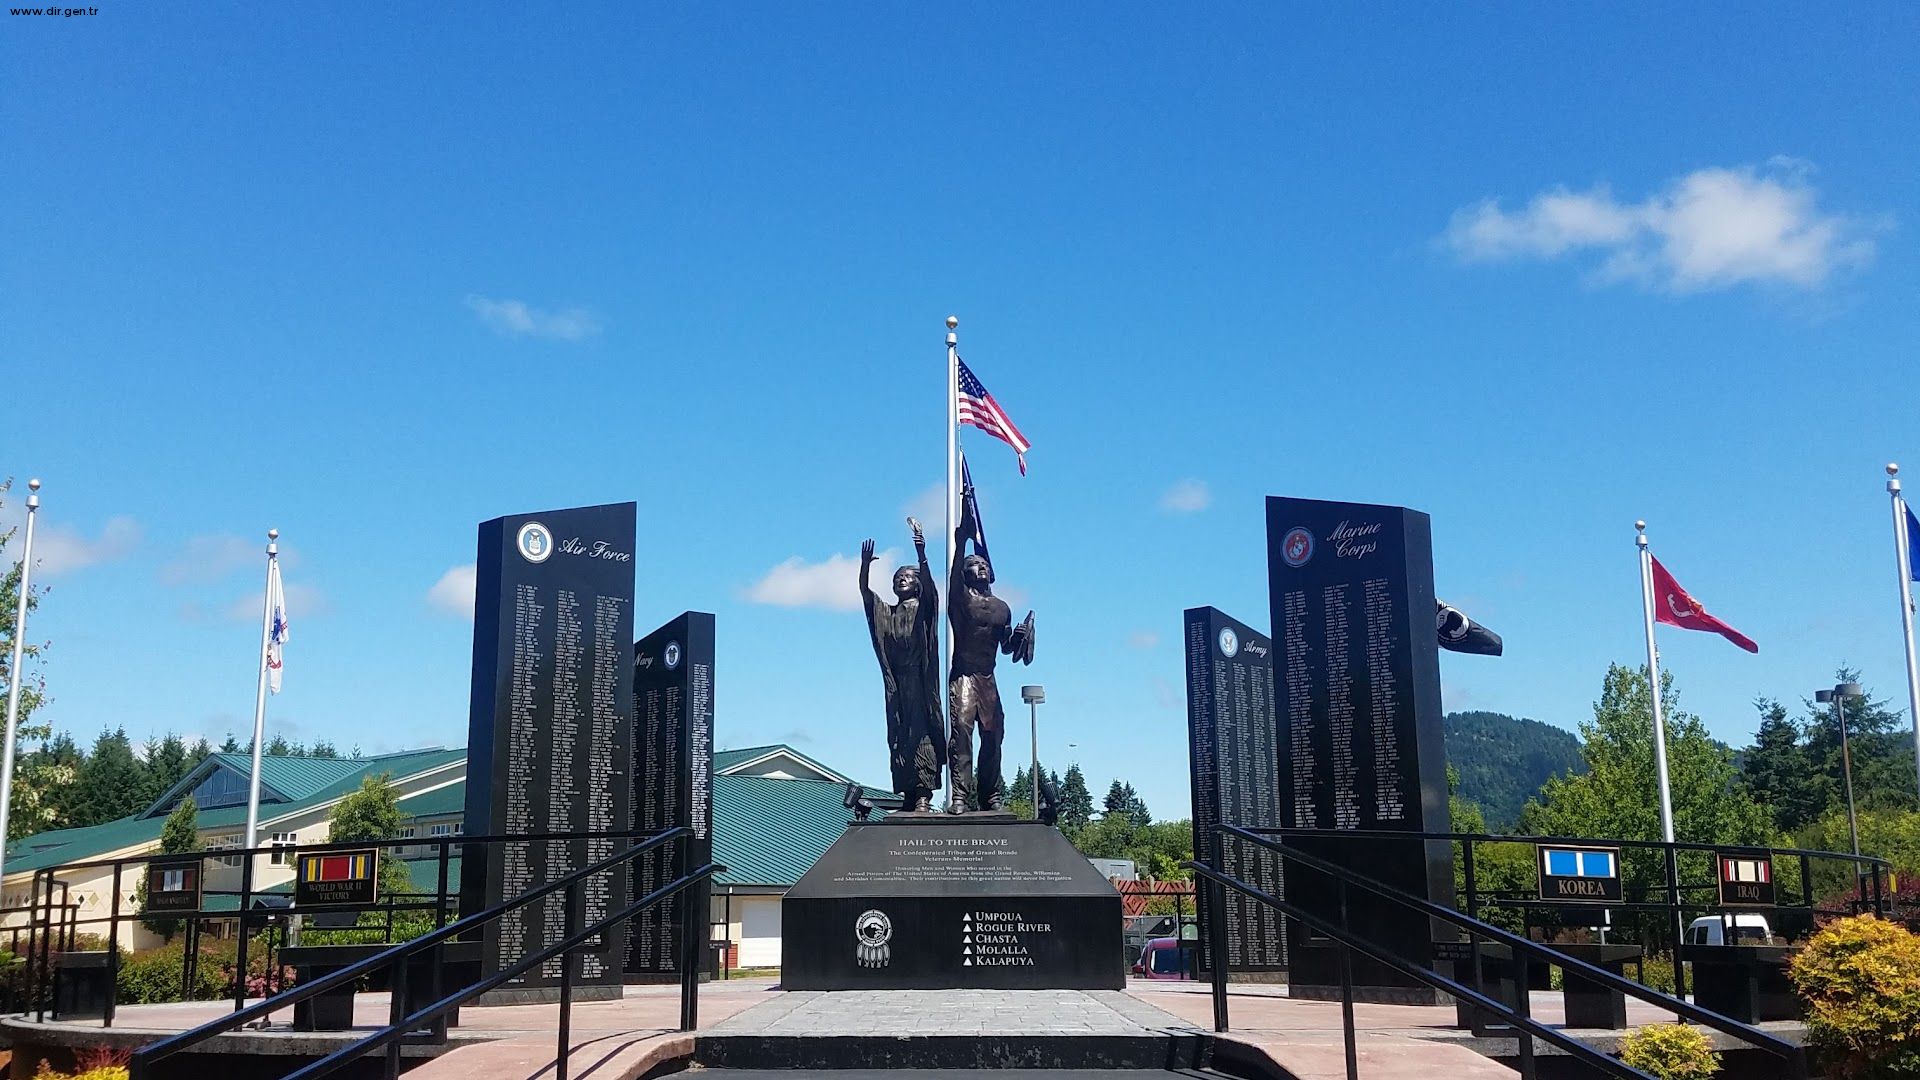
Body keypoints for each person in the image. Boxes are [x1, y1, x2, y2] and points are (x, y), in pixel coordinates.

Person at [947, 486, 1034, 812]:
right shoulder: (961, 598)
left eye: (982, 564)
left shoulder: (1002, 607)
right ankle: (959, 796)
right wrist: (962, 539)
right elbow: (954, 571)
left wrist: (1022, 635)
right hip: (964, 675)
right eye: (973, 565)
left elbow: (1010, 650)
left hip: (988, 678)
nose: (979, 567)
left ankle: (991, 796)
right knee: (962, 733)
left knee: (993, 735)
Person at [860, 519, 945, 811]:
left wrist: (921, 554)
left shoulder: (923, 610)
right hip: (897, 685)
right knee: (899, 734)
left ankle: (924, 792)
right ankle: (908, 791)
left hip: (920, 684)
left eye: (906, 577)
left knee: (922, 734)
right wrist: (864, 568)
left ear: (917, 583)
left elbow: (933, 595)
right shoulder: (889, 612)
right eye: (896, 578)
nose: (900, 581)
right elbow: (867, 598)